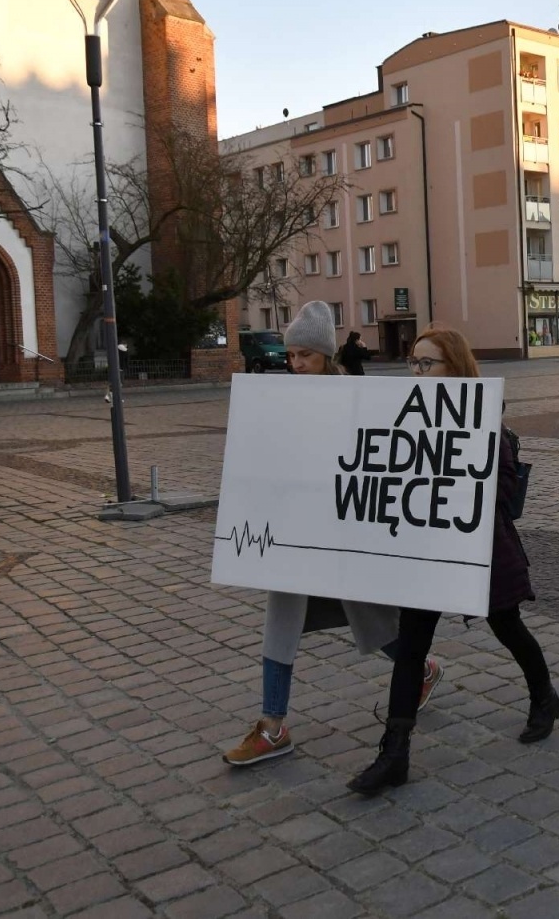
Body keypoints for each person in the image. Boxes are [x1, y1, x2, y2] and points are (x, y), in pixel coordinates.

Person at [223, 302, 439, 768]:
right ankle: (272, 726)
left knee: (370, 619)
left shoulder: (355, 395)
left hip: (343, 532)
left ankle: (420, 666)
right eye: (291, 355)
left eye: (304, 355)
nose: (295, 363)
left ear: (324, 353)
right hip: (294, 532)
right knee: (279, 627)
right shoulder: (278, 397)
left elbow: (372, 463)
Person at [348, 326, 559, 794]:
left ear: (455, 368)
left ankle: (545, 697)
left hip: (481, 555)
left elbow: (502, 496)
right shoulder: (404, 419)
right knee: (411, 648)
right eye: (414, 363)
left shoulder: (487, 424)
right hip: (426, 556)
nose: (418, 372)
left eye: (428, 364)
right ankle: (394, 751)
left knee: (509, 629)